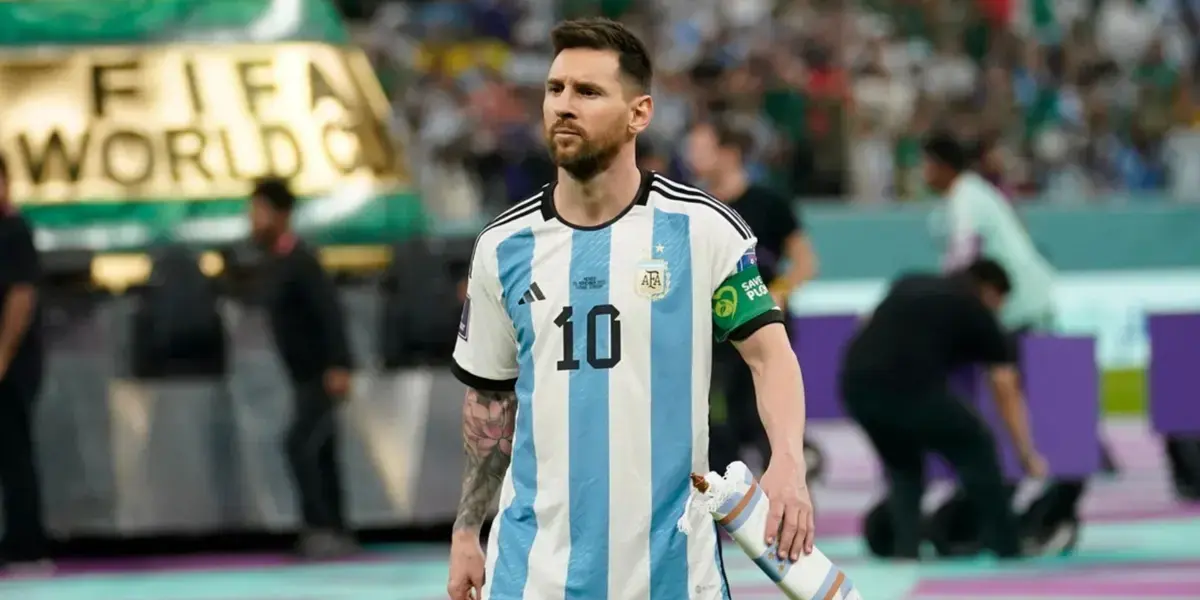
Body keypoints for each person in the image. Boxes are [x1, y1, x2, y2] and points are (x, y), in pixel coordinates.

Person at [447, 18, 814, 600]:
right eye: (555, 89)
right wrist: (469, 528)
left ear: (639, 113)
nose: (564, 105)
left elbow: (771, 358)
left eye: (588, 92)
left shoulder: (702, 231)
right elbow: (490, 399)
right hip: (530, 571)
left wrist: (789, 464)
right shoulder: (501, 248)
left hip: (670, 570)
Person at [839, 258, 1048, 560]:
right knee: (977, 446)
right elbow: (1005, 388)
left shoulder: (909, 281)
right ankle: (1007, 543)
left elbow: (867, 322)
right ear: (990, 291)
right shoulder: (976, 310)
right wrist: (1026, 453)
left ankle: (905, 549)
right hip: (909, 388)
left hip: (856, 384)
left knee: (904, 466)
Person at [685, 120, 819, 472]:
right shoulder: (692, 208)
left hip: (760, 326)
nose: (691, 157)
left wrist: (778, 295)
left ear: (729, 154)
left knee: (764, 419)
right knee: (716, 427)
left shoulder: (768, 202)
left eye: (701, 149)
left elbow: (805, 261)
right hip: (713, 337)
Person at [247, 178, 356, 559]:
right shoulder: (274, 262)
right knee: (319, 448)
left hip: (320, 374)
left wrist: (340, 364)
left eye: (259, 211)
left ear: (280, 214)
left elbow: (330, 314)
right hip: (301, 377)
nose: (253, 220)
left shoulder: (301, 261)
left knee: (302, 447)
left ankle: (322, 527)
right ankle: (333, 529)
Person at [925, 132, 1056, 334]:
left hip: (1019, 302)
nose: (922, 173)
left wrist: (937, 293)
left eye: (926, 165)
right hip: (1017, 300)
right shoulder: (966, 194)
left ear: (943, 167)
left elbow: (962, 253)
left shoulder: (967, 197)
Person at [0, 155, 50, 573]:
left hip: (12, 363)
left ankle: (26, 546)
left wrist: (2, 357)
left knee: (15, 452)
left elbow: (21, 298)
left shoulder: (15, 231)